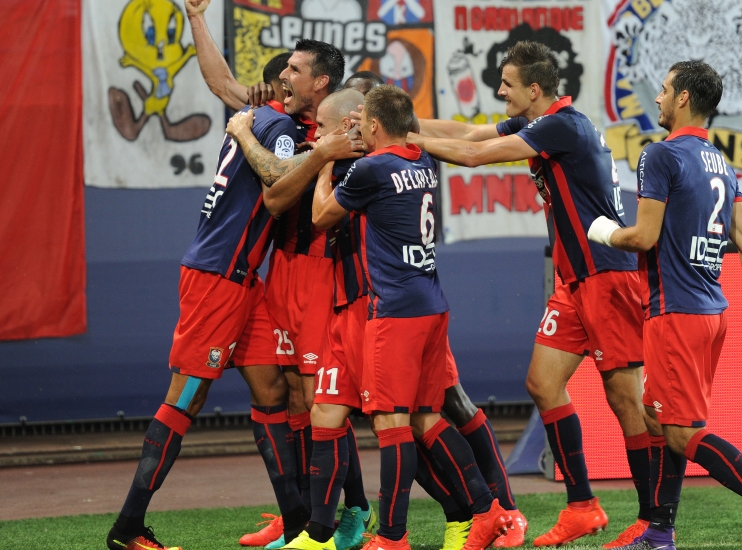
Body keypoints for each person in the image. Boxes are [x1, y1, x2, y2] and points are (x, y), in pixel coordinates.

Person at [410, 41, 650, 547]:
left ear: (534, 90)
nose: (499, 91)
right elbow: (467, 132)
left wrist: (395, 141)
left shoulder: (563, 126)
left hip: (607, 277)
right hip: (575, 282)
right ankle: (583, 506)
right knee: (543, 383)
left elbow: (473, 155)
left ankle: (655, 517)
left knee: (627, 401)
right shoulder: (542, 124)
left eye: (508, 84)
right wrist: (404, 128)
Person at [586, 60, 742, 550]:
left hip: (676, 315)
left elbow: (644, 236)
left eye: (666, 90)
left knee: (680, 434)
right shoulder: (720, 163)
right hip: (710, 314)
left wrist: (605, 232)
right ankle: (660, 532)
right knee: (657, 416)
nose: (660, 98)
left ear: (685, 98)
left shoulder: (660, 156)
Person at [105, 53, 315, 550]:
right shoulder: (279, 124)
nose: (290, 82)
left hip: (245, 281)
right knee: (185, 398)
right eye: (289, 75)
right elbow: (277, 183)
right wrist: (323, 151)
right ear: (282, 85)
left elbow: (222, 83)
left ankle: (299, 523)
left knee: (272, 392)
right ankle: (127, 527)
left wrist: (197, 16)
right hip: (219, 276)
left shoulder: (260, 114)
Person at [185, 3, 370, 547]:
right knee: (289, 395)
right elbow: (222, 83)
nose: (281, 77)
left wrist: (247, 134)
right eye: (283, 70)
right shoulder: (278, 113)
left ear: (322, 82)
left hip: (323, 271)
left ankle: (352, 512)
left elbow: (275, 189)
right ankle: (302, 511)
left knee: (320, 399)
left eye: (293, 70)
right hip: (279, 269)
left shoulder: (342, 126)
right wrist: (197, 16)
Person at [308, 84, 511, 550]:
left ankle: (394, 537)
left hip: (394, 310)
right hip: (431, 304)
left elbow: (321, 217)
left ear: (372, 125)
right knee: (426, 418)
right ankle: (488, 509)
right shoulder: (421, 160)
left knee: (390, 424)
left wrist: (321, 160)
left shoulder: (371, 168)